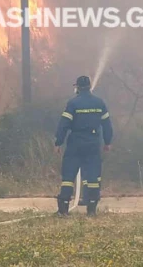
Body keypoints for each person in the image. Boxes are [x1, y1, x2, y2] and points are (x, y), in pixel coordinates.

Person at [54, 75, 113, 216]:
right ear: (89, 86)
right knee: (93, 175)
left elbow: (63, 125)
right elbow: (107, 125)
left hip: (75, 143)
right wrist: (108, 142)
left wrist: (58, 142)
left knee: (68, 176)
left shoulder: (73, 103)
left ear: (77, 88)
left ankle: (63, 210)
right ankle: (91, 209)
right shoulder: (99, 103)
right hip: (93, 143)